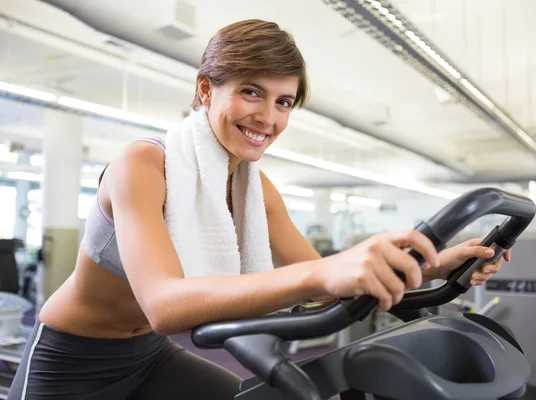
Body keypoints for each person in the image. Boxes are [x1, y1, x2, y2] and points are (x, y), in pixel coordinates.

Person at [8, 19, 510, 400]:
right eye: (251, 92)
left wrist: (430, 266)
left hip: (150, 356)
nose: (267, 118)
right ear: (206, 90)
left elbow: (323, 284)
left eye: (284, 102)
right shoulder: (143, 164)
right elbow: (164, 305)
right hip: (71, 357)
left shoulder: (256, 188)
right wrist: (325, 274)